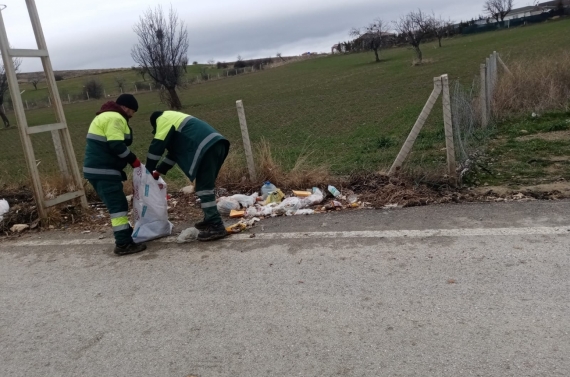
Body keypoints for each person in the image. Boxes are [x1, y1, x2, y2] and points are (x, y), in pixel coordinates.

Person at [146, 111, 230, 241]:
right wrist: (158, 171)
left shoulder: (163, 119)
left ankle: (216, 225)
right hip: (216, 144)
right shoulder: (175, 120)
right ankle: (210, 219)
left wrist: (148, 169)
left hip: (206, 148)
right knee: (205, 186)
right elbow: (174, 154)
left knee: (204, 188)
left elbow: (157, 146)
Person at [83, 94, 147, 256]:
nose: (131, 115)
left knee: (117, 205)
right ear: (126, 108)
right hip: (104, 171)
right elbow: (116, 145)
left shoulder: (105, 116)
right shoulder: (115, 118)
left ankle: (125, 235)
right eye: (132, 111)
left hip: (99, 170)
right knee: (118, 207)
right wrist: (134, 161)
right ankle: (123, 244)